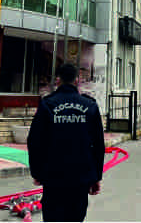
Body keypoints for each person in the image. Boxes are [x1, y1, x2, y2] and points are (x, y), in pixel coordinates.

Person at [27, 63, 105, 222]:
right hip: (81, 176)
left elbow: (34, 141)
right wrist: (96, 177)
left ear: (58, 81)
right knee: (75, 217)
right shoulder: (90, 105)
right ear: (77, 81)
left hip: (53, 176)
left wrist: (37, 172)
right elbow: (98, 145)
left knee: (53, 217)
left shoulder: (47, 104)